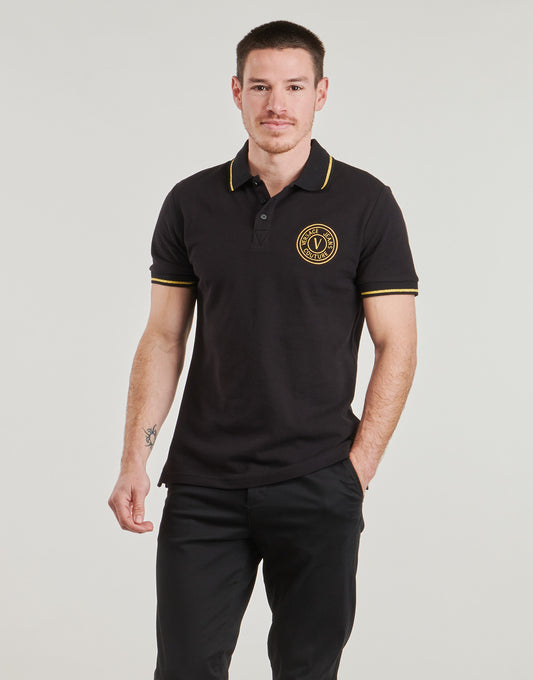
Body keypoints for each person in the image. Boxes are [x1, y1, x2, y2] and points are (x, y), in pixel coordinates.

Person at [108, 19, 418, 680]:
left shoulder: (365, 203)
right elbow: (163, 337)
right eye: (261, 86)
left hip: (317, 479)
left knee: (306, 669)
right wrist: (134, 459)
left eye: (294, 86)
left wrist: (355, 471)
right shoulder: (191, 202)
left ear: (321, 94)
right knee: (185, 667)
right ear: (236, 92)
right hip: (203, 486)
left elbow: (397, 345)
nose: (277, 103)